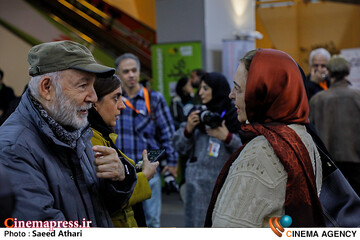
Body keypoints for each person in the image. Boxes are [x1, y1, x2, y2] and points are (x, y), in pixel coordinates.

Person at [0, 40, 137, 226]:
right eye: (83, 86)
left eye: (93, 86)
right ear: (47, 88)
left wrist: (120, 178)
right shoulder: (13, 148)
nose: (94, 97)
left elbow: (100, 209)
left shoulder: (75, 131)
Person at [205, 49, 325, 227]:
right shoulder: (303, 137)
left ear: (261, 92)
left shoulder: (260, 151)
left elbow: (227, 227)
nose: (231, 95)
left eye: (238, 88)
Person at [114, 53, 178, 227]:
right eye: (126, 71)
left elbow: (168, 133)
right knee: (123, 219)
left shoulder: (154, 99)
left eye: (134, 70)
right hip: (122, 172)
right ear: (118, 75)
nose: (131, 75)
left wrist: (172, 163)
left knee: (152, 222)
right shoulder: (114, 100)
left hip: (149, 169)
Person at [172, 72, 242, 227]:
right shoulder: (197, 113)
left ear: (217, 90)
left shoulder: (233, 115)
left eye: (205, 88)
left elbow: (244, 151)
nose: (200, 92)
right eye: (200, 88)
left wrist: (227, 137)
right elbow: (179, 146)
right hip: (195, 188)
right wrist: (188, 129)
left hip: (221, 187)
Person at [88, 74, 159, 227]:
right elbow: (109, 200)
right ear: (94, 102)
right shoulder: (92, 141)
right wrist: (144, 176)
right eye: (116, 98)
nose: (122, 105)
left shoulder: (102, 136)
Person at [309, 55, 360, 196]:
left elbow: (310, 132)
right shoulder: (357, 96)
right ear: (347, 72)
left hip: (328, 162)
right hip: (356, 160)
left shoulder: (317, 100)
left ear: (329, 72)